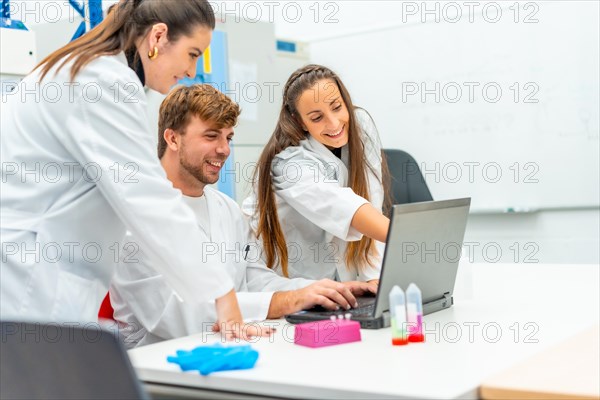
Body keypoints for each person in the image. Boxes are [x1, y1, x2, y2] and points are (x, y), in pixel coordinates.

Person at [0, 0, 268, 340]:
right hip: (28, 287)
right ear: (158, 36)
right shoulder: (103, 82)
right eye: (192, 53)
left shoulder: (77, 69)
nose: (191, 70)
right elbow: (149, 199)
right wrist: (223, 294)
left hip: (31, 281)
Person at [109, 84, 377, 347]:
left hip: (229, 347)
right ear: (172, 138)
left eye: (228, 137)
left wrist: (322, 291)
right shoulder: (134, 217)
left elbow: (254, 278)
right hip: (158, 366)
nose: (224, 149)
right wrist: (287, 301)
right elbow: (175, 315)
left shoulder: (226, 208)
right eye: (211, 136)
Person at [243, 64, 391, 283]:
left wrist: (373, 278)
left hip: (334, 279)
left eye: (337, 107)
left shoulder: (360, 126)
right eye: (316, 117)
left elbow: (372, 200)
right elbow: (344, 208)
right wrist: (408, 238)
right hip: (283, 277)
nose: (333, 123)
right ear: (299, 121)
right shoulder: (288, 163)